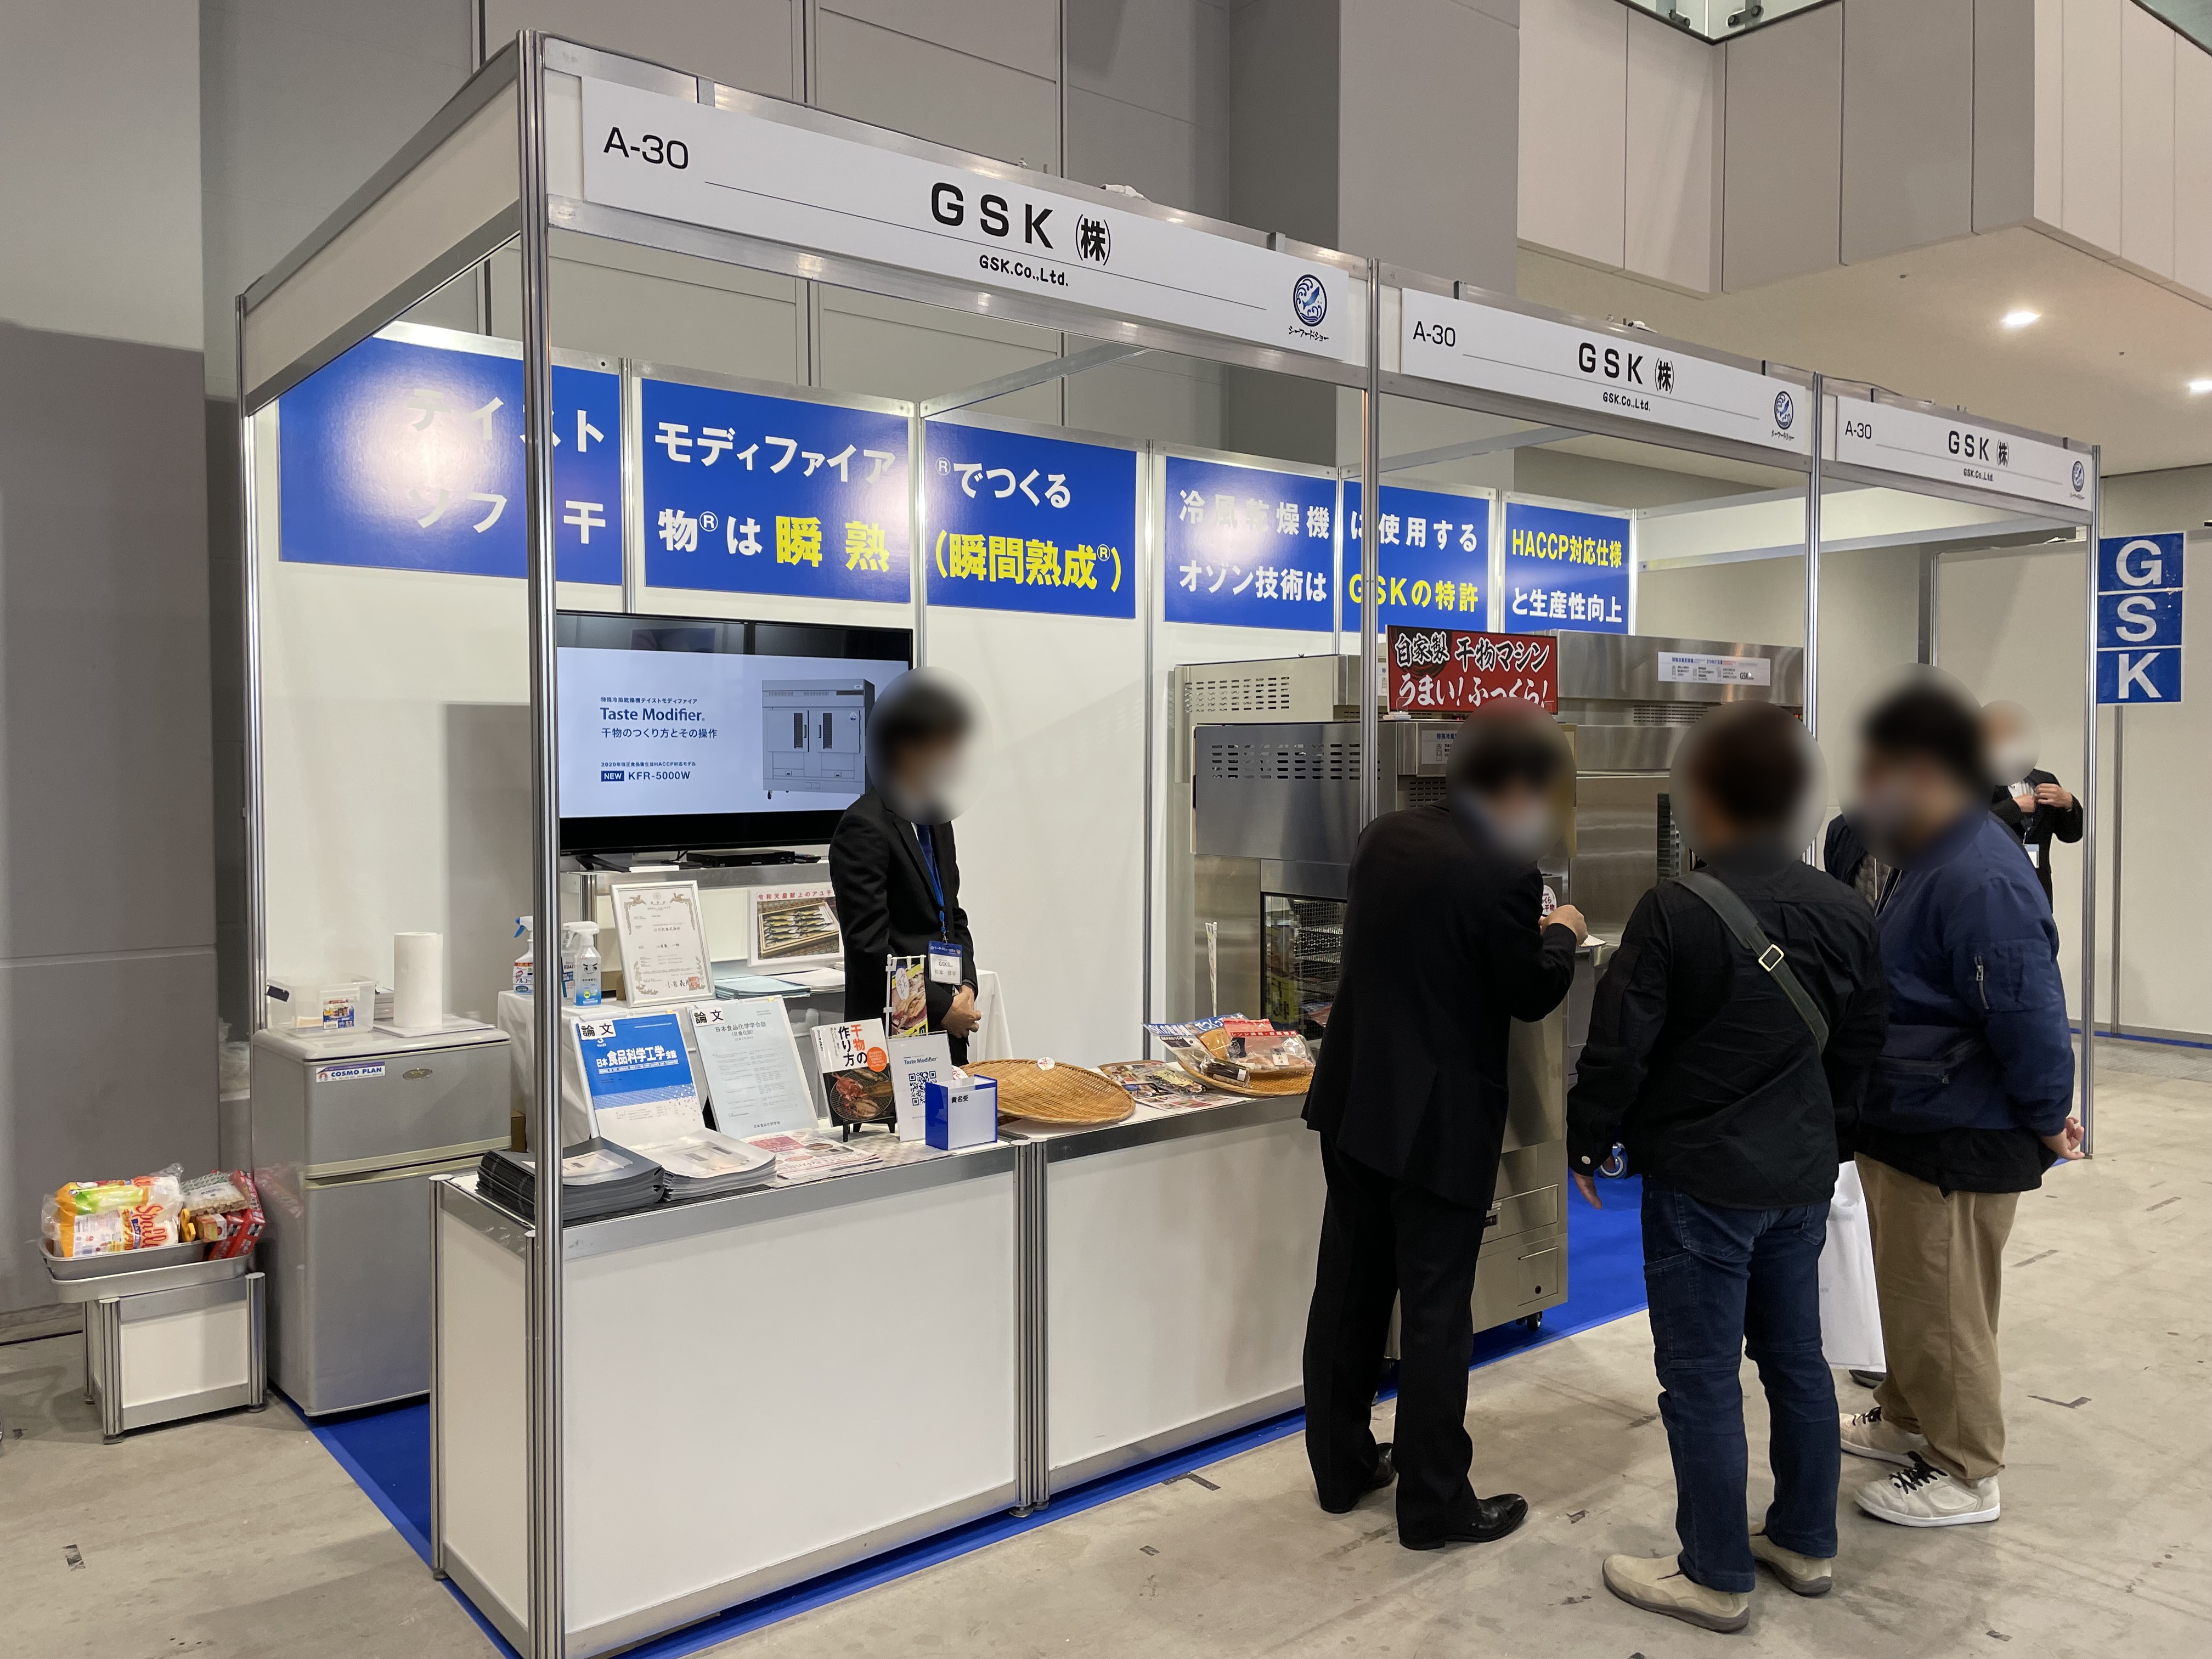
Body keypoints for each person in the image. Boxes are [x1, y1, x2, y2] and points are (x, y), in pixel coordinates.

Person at [1568, 704, 1891, 1634]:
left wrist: (1589, 1138)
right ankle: (1804, 1540)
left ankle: (1713, 1573)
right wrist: (1828, 1140)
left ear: (1705, 800)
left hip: (1701, 1181)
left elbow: (1619, 1047)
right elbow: (1863, 1045)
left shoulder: (1676, 909)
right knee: (1795, 1359)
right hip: (1800, 1176)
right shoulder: (1847, 908)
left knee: (1702, 1375)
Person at [1300, 702, 1586, 1550]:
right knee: (1434, 1312)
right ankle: (1432, 1504)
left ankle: (1342, 1468)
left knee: (1348, 1291)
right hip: (1439, 1124)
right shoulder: (1505, 871)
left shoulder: (1382, 837)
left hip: (1356, 1100)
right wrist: (1561, 935)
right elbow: (1528, 990)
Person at [1843, 676, 2083, 1529]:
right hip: (1907, 1114)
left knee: (1945, 1306)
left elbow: (2025, 1011)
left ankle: (1965, 1468)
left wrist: (2048, 1114)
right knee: (1910, 1293)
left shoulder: (1980, 872)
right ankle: (1906, 1416)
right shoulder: (1930, 853)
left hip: (1957, 1125)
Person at [828, 672, 981, 1063]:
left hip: (948, 1022)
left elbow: (952, 914)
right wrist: (940, 1007)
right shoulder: (864, 825)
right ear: (906, 747)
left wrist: (966, 985)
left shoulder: (937, 815)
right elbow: (869, 947)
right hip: (892, 1031)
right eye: (943, 745)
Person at [1982, 700, 2081, 908]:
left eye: (2013, 734)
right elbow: (1965, 826)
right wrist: (2014, 808)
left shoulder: (2044, 780)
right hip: (1991, 886)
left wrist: (2068, 803)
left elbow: (2072, 835)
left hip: (2037, 887)